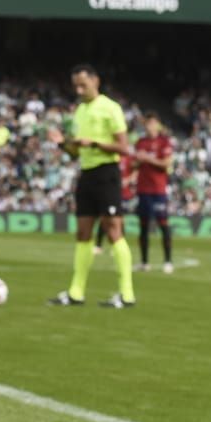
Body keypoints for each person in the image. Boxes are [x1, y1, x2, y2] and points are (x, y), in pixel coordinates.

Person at [45, 65, 136, 308]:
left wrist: (94, 143)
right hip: (86, 173)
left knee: (113, 230)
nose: (79, 89)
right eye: (76, 85)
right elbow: (75, 153)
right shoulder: (79, 111)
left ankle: (127, 294)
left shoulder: (110, 108)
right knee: (83, 233)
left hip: (107, 173)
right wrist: (62, 143)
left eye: (83, 84)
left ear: (96, 80)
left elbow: (124, 148)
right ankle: (76, 292)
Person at [132, 113, 176, 274]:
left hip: (158, 190)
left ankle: (168, 261)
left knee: (163, 225)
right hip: (143, 190)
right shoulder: (140, 142)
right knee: (143, 227)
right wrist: (138, 160)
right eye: (147, 123)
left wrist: (148, 159)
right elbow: (134, 164)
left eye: (152, 122)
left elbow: (166, 163)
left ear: (158, 124)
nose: (149, 126)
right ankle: (144, 262)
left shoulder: (164, 142)